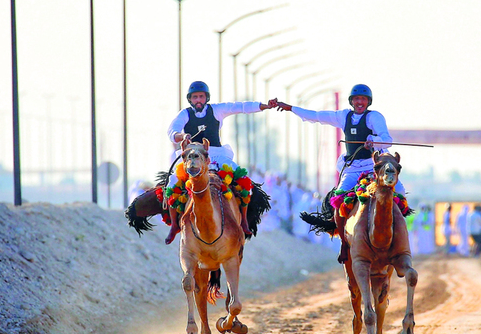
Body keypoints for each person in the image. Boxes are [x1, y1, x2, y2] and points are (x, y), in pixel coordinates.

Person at [164, 80, 275, 244]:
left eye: (201, 96)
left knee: (243, 179)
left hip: (216, 155)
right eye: (195, 97)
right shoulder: (185, 114)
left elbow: (240, 107)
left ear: (206, 98)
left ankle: (244, 221)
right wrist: (182, 136)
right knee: (172, 182)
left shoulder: (216, 110)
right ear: (190, 99)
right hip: (193, 156)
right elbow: (172, 130)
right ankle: (174, 225)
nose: (198, 100)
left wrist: (263, 106)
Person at [274, 84, 405, 196]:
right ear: (351, 101)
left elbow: (387, 140)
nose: (360, 102)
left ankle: (401, 219)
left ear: (368, 102)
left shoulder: (374, 117)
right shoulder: (343, 116)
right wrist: (291, 108)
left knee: (399, 191)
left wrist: (373, 141)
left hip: (374, 168)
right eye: (356, 99)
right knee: (338, 196)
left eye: (363, 99)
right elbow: (316, 115)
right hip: (352, 169)